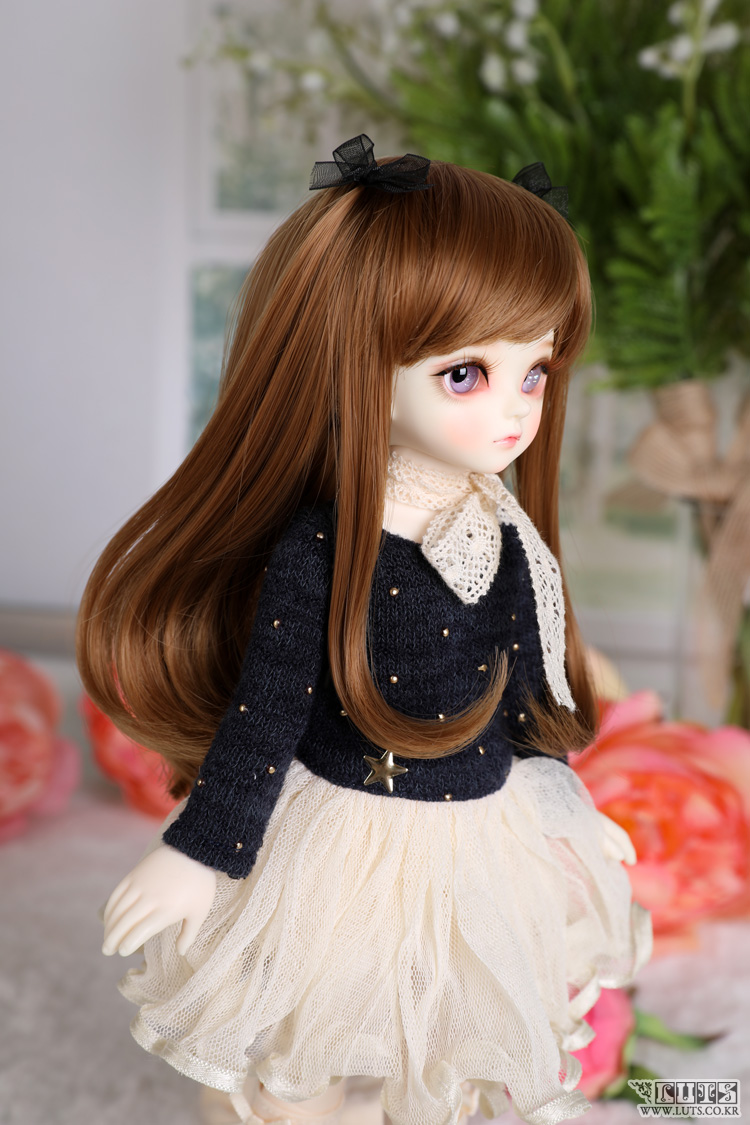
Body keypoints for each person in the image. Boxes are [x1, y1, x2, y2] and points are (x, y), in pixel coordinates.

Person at [78, 136, 652, 1125]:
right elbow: (265, 715)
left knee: (449, 1025)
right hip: (348, 832)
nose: (515, 412)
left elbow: (518, 681)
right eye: (466, 374)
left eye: (536, 372)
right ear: (356, 359)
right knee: (307, 1039)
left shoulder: (506, 534)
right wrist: (200, 850)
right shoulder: (325, 547)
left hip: (481, 827)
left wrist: (563, 797)